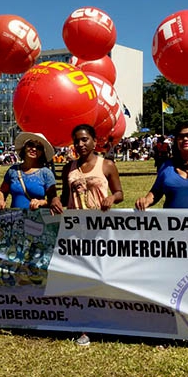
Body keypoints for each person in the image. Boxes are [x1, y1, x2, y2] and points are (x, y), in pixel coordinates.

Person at [51, 124, 124, 346]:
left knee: (105, 276)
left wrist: (112, 199)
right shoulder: (69, 168)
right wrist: (54, 200)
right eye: (77, 141)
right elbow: (64, 199)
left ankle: (112, 320)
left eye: (84, 140)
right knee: (81, 278)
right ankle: (85, 326)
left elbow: (119, 192)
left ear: (94, 141)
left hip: (101, 231)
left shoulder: (107, 165)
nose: (80, 145)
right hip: (76, 233)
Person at [0, 132, 58, 210]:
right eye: (31, 145)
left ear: (42, 153)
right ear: (24, 148)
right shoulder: (13, 170)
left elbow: (53, 200)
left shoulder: (46, 173)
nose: (34, 149)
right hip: (15, 218)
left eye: (39, 147)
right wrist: (0, 200)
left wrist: (41, 202)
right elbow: (2, 191)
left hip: (38, 219)